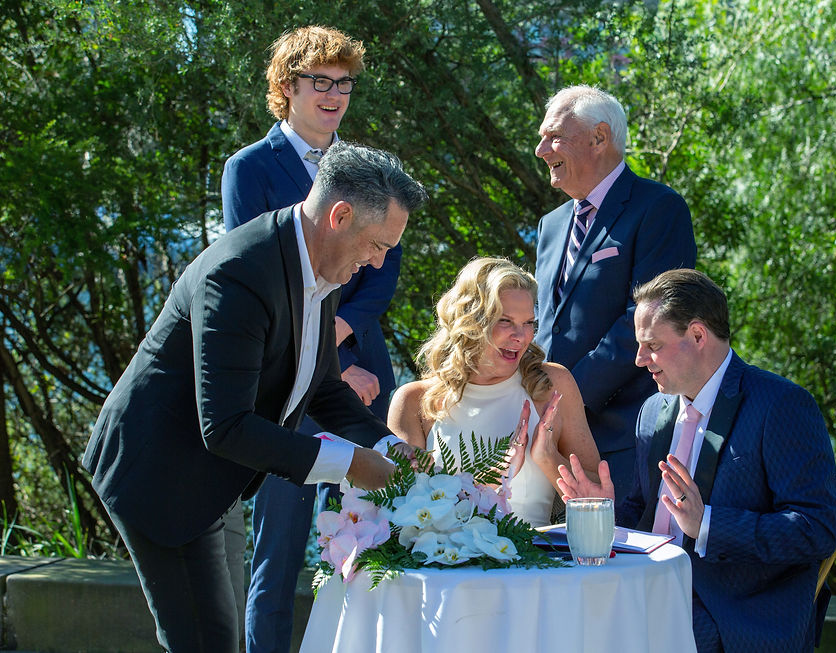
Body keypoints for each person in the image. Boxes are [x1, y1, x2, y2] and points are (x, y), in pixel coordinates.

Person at [82, 142, 428, 653]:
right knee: (206, 640)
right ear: (340, 216)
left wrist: (386, 446)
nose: (377, 263)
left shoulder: (325, 265)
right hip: (159, 474)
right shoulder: (240, 273)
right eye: (377, 245)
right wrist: (351, 464)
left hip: (210, 476)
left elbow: (325, 387)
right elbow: (224, 425)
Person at [220, 26, 403, 653]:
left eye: (343, 83)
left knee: (374, 541)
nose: (333, 95)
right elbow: (264, 277)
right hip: (287, 386)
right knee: (277, 557)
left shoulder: (367, 169)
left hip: (363, 377)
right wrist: (325, 361)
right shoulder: (247, 169)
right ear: (286, 87)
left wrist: (342, 346)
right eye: (318, 81)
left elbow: (384, 270)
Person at [557, 269, 836, 653]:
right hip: (644, 591)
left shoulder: (780, 406)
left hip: (727, 613)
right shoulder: (652, 411)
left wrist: (706, 523)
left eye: (652, 345)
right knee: (554, 618)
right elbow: (644, 513)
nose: (641, 360)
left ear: (697, 335)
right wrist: (600, 512)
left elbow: (818, 527)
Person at [533, 85, 697, 501]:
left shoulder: (658, 208)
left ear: (599, 138)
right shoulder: (550, 225)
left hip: (622, 438)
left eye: (553, 137)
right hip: (545, 436)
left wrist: (568, 400)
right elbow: (544, 324)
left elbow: (645, 323)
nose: (540, 150)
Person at [387, 257, 600, 527]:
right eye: (505, 321)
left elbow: (599, 500)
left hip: (540, 565)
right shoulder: (415, 401)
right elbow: (398, 511)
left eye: (529, 323)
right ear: (471, 321)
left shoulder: (552, 385)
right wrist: (487, 481)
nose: (521, 336)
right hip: (445, 565)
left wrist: (548, 459)